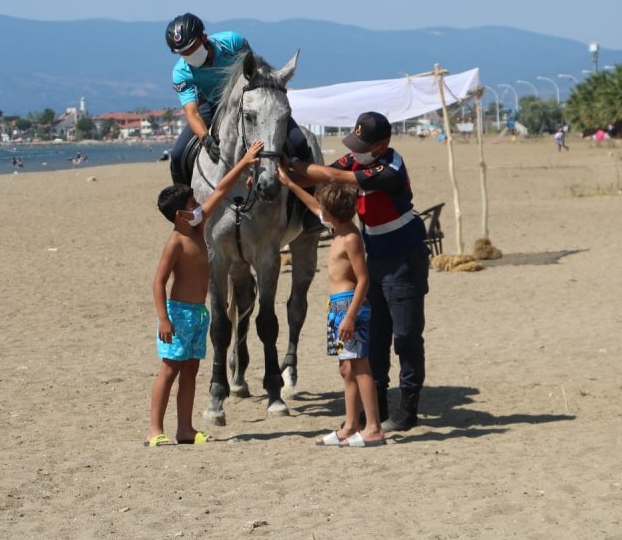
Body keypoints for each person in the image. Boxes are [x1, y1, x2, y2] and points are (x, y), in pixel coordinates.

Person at [286, 112, 430, 432]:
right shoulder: (358, 159)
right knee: (375, 339)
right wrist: (284, 171)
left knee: (406, 336)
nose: (356, 151)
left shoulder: (391, 168)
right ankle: (372, 409)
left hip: (405, 257)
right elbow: (320, 175)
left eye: (363, 145)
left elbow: (336, 178)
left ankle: (408, 408)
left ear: (382, 145)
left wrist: (296, 170)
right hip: (376, 257)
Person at [146, 140, 265, 447]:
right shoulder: (175, 242)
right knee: (170, 370)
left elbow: (222, 189)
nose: (198, 206)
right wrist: (163, 319)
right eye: (191, 205)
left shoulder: (198, 228)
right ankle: (154, 429)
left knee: (191, 371)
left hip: (199, 314)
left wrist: (245, 162)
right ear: (179, 215)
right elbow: (158, 282)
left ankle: (184, 429)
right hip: (179, 314)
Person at [277, 171, 385, 447]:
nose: (320, 211)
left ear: (333, 212)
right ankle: (350, 425)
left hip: (350, 306)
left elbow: (363, 279)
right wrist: (289, 183)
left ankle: (373, 427)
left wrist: (350, 316)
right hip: (336, 307)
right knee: (346, 369)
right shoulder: (337, 227)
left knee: (360, 367)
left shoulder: (350, 237)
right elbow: (314, 207)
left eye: (324, 208)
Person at [165, 12, 311, 186]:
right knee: (177, 155)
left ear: (203, 37)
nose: (189, 54)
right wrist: (206, 139)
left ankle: (311, 193)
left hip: (250, 101)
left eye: (192, 47)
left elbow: (257, 73)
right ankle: (184, 202)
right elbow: (192, 113)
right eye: (183, 52)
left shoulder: (233, 42)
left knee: (299, 140)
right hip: (213, 105)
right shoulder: (180, 72)